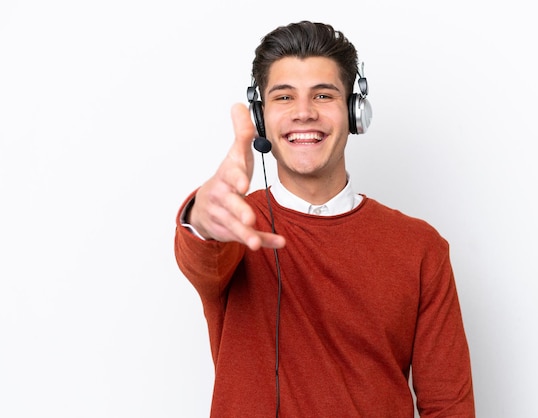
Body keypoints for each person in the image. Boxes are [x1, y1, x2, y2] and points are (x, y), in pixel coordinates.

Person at [174, 20, 475, 417]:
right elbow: (203, 253)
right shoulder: (236, 227)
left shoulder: (420, 247)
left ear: (354, 111)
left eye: (323, 95)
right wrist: (202, 217)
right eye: (283, 97)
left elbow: (449, 406)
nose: (303, 113)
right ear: (261, 117)